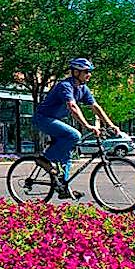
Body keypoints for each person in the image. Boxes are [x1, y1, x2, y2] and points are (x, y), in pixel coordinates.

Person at [32, 58, 121, 199]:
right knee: (74, 135)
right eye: (86, 72)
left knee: (67, 156)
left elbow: (96, 107)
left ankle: (63, 188)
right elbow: (72, 107)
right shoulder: (65, 86)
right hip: (43, 118)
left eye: (89, 72)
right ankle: (44, 159)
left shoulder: (83, 89)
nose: (89, 75)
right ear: (76, 72)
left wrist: (110, 124)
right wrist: (86, 125)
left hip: (55, 120)